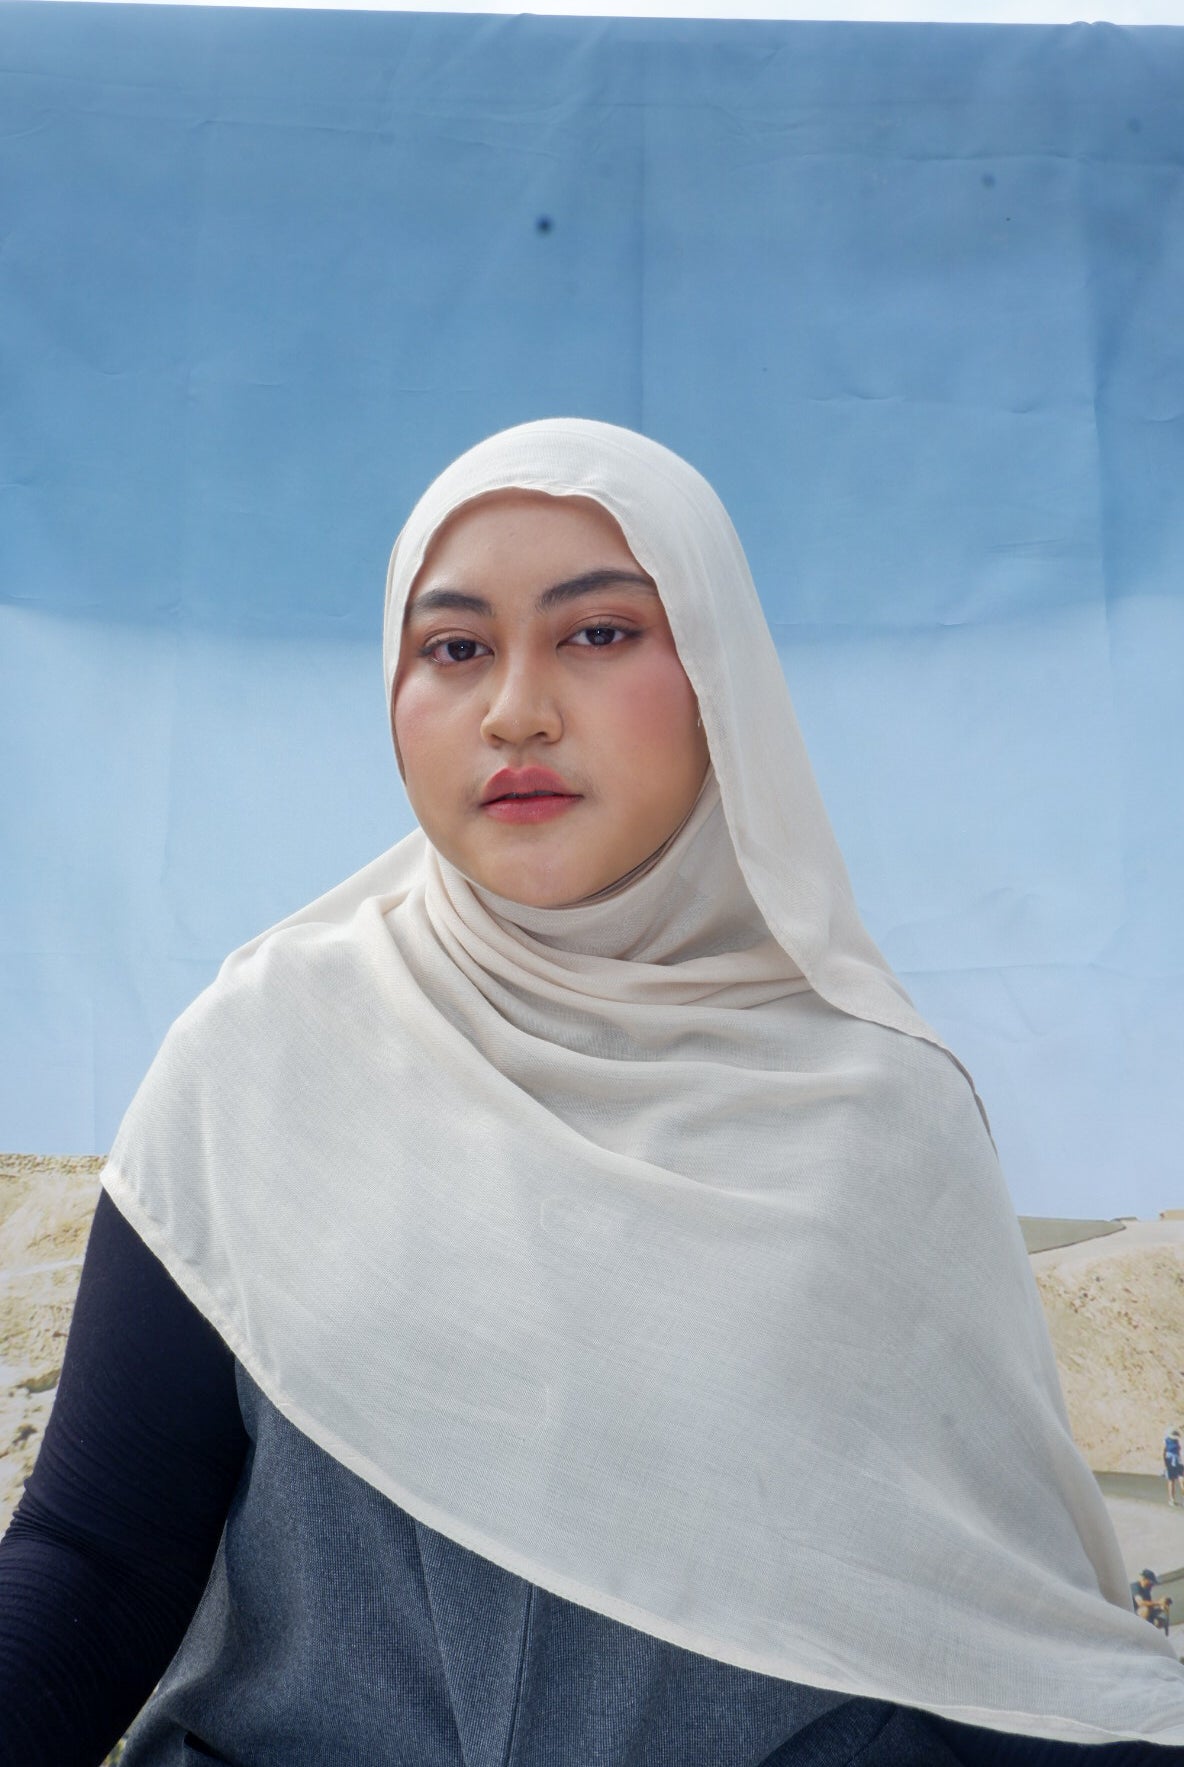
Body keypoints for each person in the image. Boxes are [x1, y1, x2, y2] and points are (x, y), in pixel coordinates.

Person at [2, 418, 1182, 1765]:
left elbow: (990, 1649)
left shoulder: (880, 1120)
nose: (515, 706)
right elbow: (95, 1561)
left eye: (599, 633)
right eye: (453, 648)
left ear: (721, 679)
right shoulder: (262, 1055)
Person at [1164, 1429, 1183, 1505]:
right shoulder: (1170, 1442)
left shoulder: (1171, 1441)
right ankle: (1173, 1499)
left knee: (1176, 1480)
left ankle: (1173, 1499)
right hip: (1174, 1460)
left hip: (1174, 1460)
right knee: (1176, 1480)